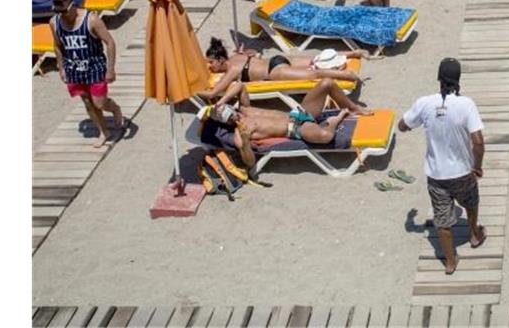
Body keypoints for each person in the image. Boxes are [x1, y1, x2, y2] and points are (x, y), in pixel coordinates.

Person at [398, 58, 486, 275]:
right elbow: (478, 141)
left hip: (437, 175)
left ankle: (449, 261)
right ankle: (474, 234)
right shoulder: (466, 104)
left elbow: (403, 125)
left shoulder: (425, 103)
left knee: (442, 220)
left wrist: (411, 218)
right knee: (471, 203)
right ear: (458, 80)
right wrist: (478, 166)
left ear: (438, 79)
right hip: (463, 172)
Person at [206, 79, 373, 167]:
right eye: (225, 116)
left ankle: (353, 108)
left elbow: (239, 85)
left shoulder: (245, 108)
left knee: (326, 83)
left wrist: (222, 101)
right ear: (225, 122)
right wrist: (246, 145)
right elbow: (249, 162)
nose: (231, 115)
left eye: (226, 109)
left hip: (298, 113)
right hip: (298, 128)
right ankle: (335, 120)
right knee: (325, 136)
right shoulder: (240, 132)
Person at [51, 0, 124, 147]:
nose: (61, 14)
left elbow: (110, 42)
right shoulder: (54, 23)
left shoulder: (92, 20)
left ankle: (115, 109)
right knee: (87, 102)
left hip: (95, 66)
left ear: (72, 5)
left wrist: (110, 69)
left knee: (99, 103)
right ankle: (104, 132)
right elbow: (57, 46)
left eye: (64, 10)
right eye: (57, 11)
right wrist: (61, 67)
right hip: (74, 69)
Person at [199, 37, 366, 99]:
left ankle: (347, 76)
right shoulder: (237, 55)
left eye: (211, 63)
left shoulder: (232, 70)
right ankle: (353, 53)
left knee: (314, 73)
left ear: (221, 60)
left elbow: (213, 93)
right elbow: (255, 54)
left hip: (275, 72)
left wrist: (189, 92)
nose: (210, 66)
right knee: (316, 59)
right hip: (278, 59)